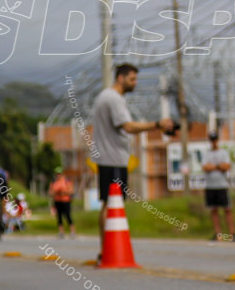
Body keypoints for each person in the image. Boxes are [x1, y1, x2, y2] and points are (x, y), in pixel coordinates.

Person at [90, 63, 174, 246]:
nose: (135, 83)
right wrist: (157, 125)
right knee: (112, 204)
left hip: (109, 158)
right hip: (113, 159)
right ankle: (108, 249)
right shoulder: (114, 99)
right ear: (121, 78)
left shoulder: (106, 96)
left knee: (109, 203)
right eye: (132, 79)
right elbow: (128, 126)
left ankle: (106, 248)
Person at [202, 132, 235, 242]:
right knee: (214, 210)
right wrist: (218, 166)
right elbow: (205, 167)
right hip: (210, 186)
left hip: (221, 185)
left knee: (227, 209)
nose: (213, 142)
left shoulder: (223, 152)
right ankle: (218, 234)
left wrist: (214, 166)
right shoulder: (206, 153)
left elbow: (226, 166)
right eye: (212, 140)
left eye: (215, 139)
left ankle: (232, 234)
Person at [49, 168, 76, 239]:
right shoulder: (54, 182)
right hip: (57, 201)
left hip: (66, 201)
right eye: (57, 174)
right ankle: (61, 232)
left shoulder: (66, 181)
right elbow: (50, 192)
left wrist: (64, 192)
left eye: (59, 173)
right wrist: (56, 192)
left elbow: (71, 191)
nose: (58, 175)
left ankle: (72, 232)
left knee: (68, 216)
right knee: (59, 217)